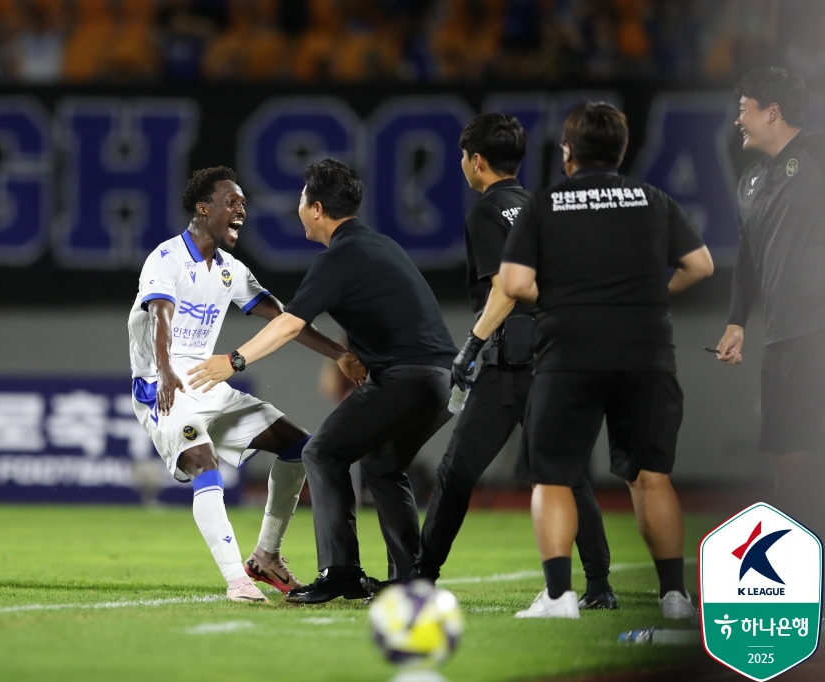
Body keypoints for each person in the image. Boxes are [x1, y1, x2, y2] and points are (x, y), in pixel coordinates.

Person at [188, 159, 458, 604]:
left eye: (301, 198)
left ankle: (341, 573)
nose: (298, 206)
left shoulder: (339, 258)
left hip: (407, 377)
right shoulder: (378, 245)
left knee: (322, 452)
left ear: (316, 209)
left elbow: (289, 323)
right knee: (382, 465)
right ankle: (412, 578)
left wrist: (234, 360)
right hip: (442, 380)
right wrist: (343, 354)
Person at [499, 102, 714, 619]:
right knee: (650, 476)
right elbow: (701, 265)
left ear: (567, 152)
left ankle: (559, 598)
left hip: (569, 350)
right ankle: (675, 597)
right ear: (620, 150)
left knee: (553, 475)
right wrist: (651, 296)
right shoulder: (653, 199)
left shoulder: (545, 204)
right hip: (645, 350)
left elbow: (514, 283)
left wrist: (566, 298)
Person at [408, 113, 618, 610]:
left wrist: (471, 345)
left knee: (457, 470)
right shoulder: (543, 207)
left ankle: (422, 576)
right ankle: (599, 586)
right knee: (567, 472)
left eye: (464, 157)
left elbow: (505, 289)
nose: (463, 164)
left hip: (512, 362)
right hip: (559, 354)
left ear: (477, 161)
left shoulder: (486, 212)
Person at [128, 166, 365, 603]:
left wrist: (339, 354)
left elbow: (286, 318)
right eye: (231, 202)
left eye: (243, 203)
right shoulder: (166, 259)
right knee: (203, 462)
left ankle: (265, 556)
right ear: (203, 209)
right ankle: (237, 580)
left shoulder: (231, 270)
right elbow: (160, 316)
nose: (241, 210)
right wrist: (164, 372)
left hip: (209, 382)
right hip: (165, 386)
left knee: (301, 448)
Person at [716, 67, 825, 545]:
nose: (737, 120)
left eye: (744, 109)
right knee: (790, 461)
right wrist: (736, 321)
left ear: (772, 112)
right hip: (781, 342)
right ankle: (805, 569)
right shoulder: (751, 181)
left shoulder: (819, 154)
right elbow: (746, 257)